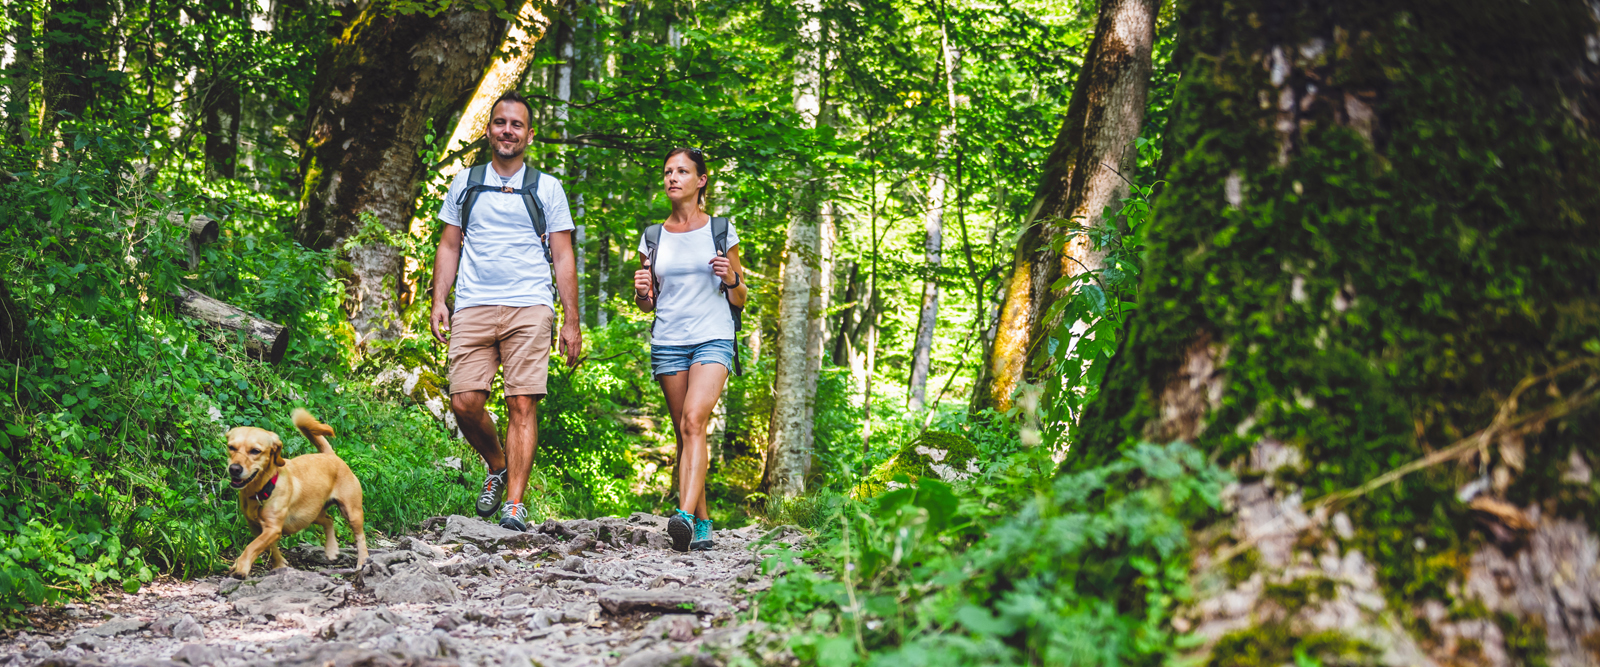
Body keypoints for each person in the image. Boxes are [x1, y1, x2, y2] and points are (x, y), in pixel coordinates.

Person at [428, 91, 582, 533]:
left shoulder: (547, 188)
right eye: (500, 123)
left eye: (517, 125)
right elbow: (450, 243)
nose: (507, 130)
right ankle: (496, 464)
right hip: (474, 303)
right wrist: (440, 299)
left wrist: (571, 321)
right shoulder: (466, 182)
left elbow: (563, 256)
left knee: (521, 403)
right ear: (488, 129)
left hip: (530, 304)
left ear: (529, 135)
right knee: (464, 402)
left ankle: (514, 503)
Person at [633, 147, 748, 553]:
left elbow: (741, 298)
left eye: (682, 171)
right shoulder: (653, 236)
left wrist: (732, 277)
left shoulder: (720, 229)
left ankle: (681, 515)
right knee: (686, 432)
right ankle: (702, 522)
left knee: (695, 420)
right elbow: (648, 303)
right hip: (668, 341)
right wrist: (642, 294)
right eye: (667, 172)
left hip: (713, 335)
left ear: (701, 180)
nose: (672, 178)